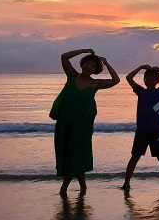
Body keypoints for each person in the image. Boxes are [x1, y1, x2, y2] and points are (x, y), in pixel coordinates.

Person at [50, 49, 119, 196]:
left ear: (96, 70)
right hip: (65, 124)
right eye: (87, 63)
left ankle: (64, 187)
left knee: (76, 155)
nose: (89, 67)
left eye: (93, 66)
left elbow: (116, 80)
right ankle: (83, 186)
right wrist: (84, 51)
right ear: (83, 64)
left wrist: (105, 63)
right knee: (69, 154)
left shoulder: (95, 84)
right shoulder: (72, 76)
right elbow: (64, 56)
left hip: (82, 127)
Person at [122, 64, 159, 190]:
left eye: (153, 80)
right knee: (135, 157)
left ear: (157, 81)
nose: (150, 82)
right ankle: (126, 182)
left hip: (156, 130)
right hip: (141, 130)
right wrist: (140, 68)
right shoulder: (140, 91)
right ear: (144, 80)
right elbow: (129, 77)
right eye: (147, 79)